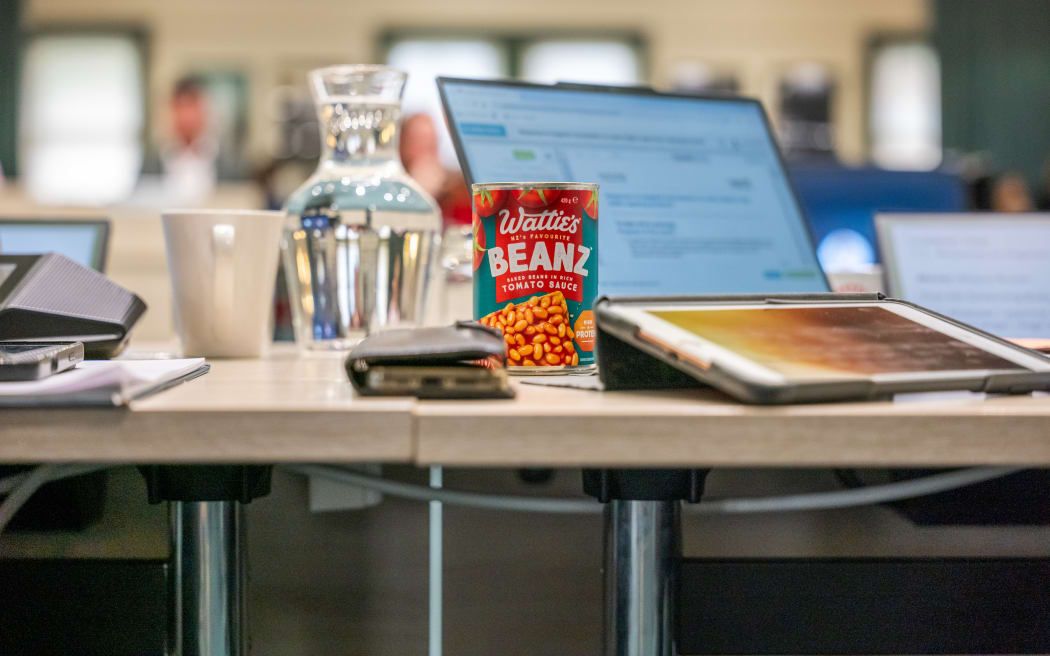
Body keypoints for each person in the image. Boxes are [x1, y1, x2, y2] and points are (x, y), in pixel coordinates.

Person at [399, 113, 470, 225]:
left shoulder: (455, 190)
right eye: (420, 141)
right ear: (402, 145)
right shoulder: (396, 189)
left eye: (432, 142)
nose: (428, 150)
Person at [160, 76, 219, 206]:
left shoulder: (231, 165)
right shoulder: (151, 163)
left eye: (192, 106)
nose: (186, 115)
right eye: (179, 107)